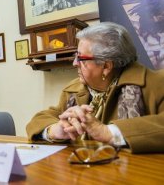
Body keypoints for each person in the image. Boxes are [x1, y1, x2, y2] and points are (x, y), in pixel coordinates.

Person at [26, 22, 164, 153]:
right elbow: (39, 120)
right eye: (75, 56)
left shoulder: (156, 83)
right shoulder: (73, 90)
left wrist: (108, 132)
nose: (74, 63)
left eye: (80, 58)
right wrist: (55, 130)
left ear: (106, 66)